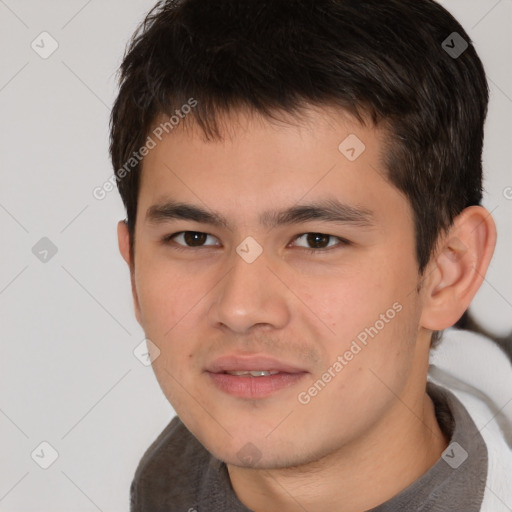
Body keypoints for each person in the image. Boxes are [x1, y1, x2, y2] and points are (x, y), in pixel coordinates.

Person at [109, 0, 512, 510]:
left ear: (448, 271)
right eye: (194, 238)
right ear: (134, 268)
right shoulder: (165, 480)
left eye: (316, 240)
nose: (239, 309)